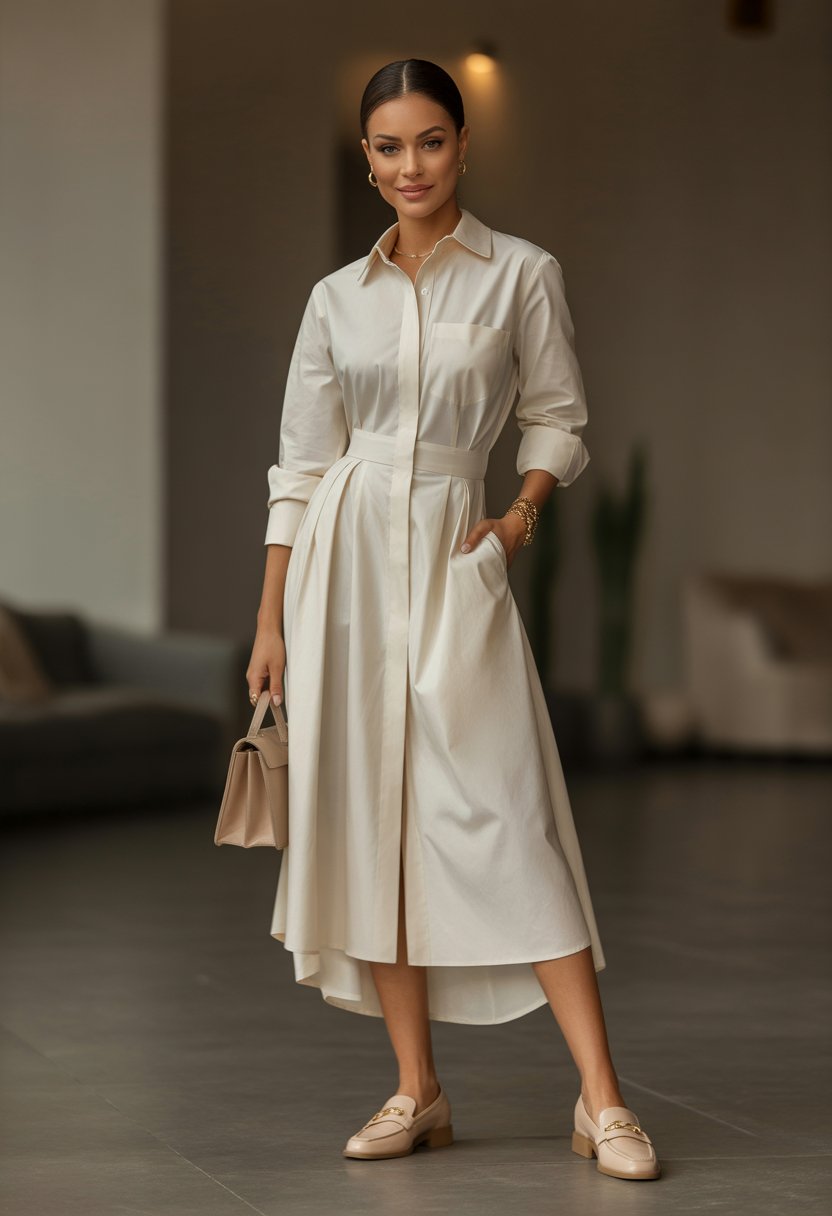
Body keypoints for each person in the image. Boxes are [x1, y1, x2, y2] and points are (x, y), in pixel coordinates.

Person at [246, 58, 660, 1181]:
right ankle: (415, 1088)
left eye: (430, 141)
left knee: (508, 810)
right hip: (339, 570)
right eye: (387, 147)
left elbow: (558, 416)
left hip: (455, 556)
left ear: (463, 147)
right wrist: (272, 616)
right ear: (368, 159)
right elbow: (299, 462)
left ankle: (604, 1101)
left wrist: (516, 519)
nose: (409, 166)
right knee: (371, 823)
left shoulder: (522, 273)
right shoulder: (336, 298)